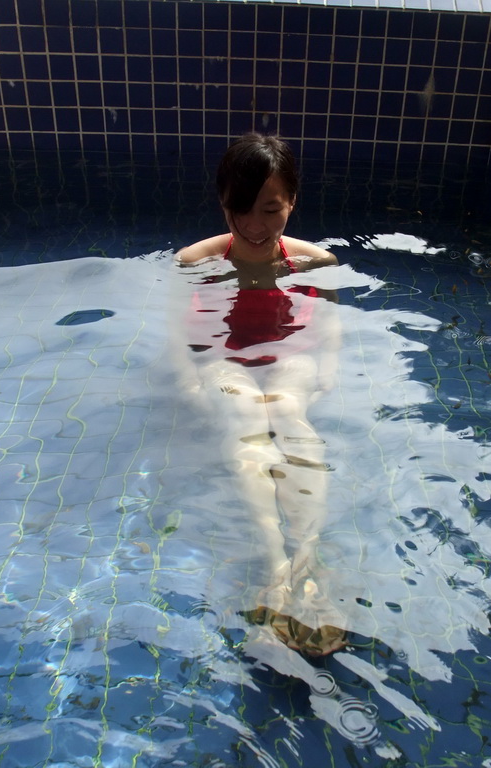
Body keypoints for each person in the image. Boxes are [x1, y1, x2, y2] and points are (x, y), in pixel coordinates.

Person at [175, 133, 345, 655]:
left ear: (292, 201)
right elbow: (180, 345)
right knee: (245, 419)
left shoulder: (318, 263)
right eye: (238, 208)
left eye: (270, 209)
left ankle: (307, 555)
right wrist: (191, 385)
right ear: (222, 202)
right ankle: (278, 562)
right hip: (228, 362)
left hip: (290, 359)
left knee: (290, 412)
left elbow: (331, 340)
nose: (253, 224)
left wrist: (325, 376)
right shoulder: (194, 262)